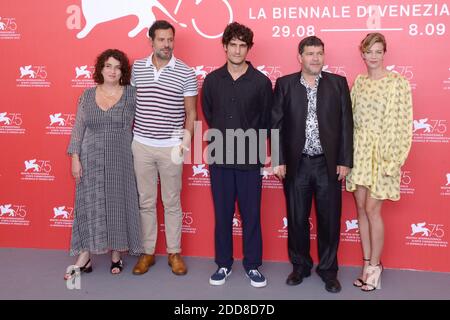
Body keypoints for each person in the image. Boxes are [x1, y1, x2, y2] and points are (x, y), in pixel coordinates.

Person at [272, 36, 353, 293]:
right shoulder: (284, 84)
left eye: (319, 53)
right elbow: (276, 125)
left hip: (327, 165)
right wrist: (278, 159)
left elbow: (346, 126)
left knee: (329, 220)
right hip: (297, 165)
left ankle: (329, 271)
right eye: (310, 53)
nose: (315, 58)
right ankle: (300, 266)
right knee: (297, 219)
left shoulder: (338, 84)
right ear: (300, 57)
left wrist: (344, 160)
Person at [202, 22, 273, 288]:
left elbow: (267, 120)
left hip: (249, 159)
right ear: (224, 46)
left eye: (243, 45)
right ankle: (223, 264)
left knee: (251, 214)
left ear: (249, 48)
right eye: (233, 44)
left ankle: (253, 265)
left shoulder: (261, 82)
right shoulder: (211, 80)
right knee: (222, 214)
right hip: (220, 157)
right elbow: (209, 114)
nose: (237, 50)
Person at [65, 49, 142, 279]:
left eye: (117, 67)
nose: (112, 70)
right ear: (101, 69)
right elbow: (78, 128)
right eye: (108, 66)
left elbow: (148, 122)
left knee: (118, 204)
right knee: (90, 205)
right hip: (92, 157)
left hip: (122, 158)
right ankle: (84, 256)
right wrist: (75, 158)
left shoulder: (132, 94)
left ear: (123, 72)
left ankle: (116, 254)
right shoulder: (87, 95)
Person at [346, 33, 413, 292]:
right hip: (360, 152)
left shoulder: (398, 83)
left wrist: (393, 159)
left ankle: (375, 267)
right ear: (362, 54)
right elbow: (350, 120)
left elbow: (404, 123)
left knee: (373, 209)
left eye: (378, 51)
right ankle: (366, 264)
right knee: (361, 208)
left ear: (384, 53)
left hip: (384, 152)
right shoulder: (359, 82)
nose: (373, 56)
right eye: (369, 51)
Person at [131, 20, 197, 276]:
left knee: (171, 202)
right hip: (142, 145)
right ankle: (148, 252)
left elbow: (191, 113)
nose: (167, 44)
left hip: (171, 147)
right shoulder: (137, 68)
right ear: (151, 41)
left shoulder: (186, 72)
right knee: (146, 202)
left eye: (170, 39)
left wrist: (184, 145)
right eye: (161, 39)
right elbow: (130, 107)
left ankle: (174, 252)